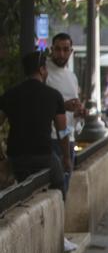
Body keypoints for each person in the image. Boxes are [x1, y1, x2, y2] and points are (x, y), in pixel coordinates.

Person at [0, 51, 71, 200]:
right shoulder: (54, 95)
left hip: (16, 158)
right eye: (45, 68)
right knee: (59, 185)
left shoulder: (10, 94)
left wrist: (2, 155)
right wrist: (66, 157)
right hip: (43, 156)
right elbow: (63, 131)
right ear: (41, 70)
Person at [46, 33, 82, 194]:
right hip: (52, 139)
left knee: (64, 190)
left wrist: (79, 113)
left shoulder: (72, 76)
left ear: (71, 51)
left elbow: (71, 112)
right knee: (55, 190)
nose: (61, 54)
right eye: (58, 49)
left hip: (69, 137)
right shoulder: (44, 72)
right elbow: (40, 106)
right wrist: (62, 106)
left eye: (65, 49)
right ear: (51, 49)